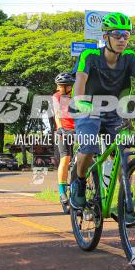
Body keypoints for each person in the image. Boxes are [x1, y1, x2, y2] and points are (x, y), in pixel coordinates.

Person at [69, 12, 135, 211]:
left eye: (126, 35)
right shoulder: (89, 55)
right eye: (117, 34)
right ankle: (80, 182)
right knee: (89, 148)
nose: (122, 39)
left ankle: (127, 201)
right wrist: (80, 100)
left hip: (115, 112)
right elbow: (81, 79)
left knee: (125, 154)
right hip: (88, 109)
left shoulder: (130, 58)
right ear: (105, 37)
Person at [52, 71, 76, 207]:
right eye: (60, 86)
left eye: (64, 86)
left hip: (78, 129)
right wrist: (60, 128)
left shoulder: (76, 96)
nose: (61, 88)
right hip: (64, 130)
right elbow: (57, 114)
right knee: (65, 158)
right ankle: (62, 191)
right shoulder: (56, 97)